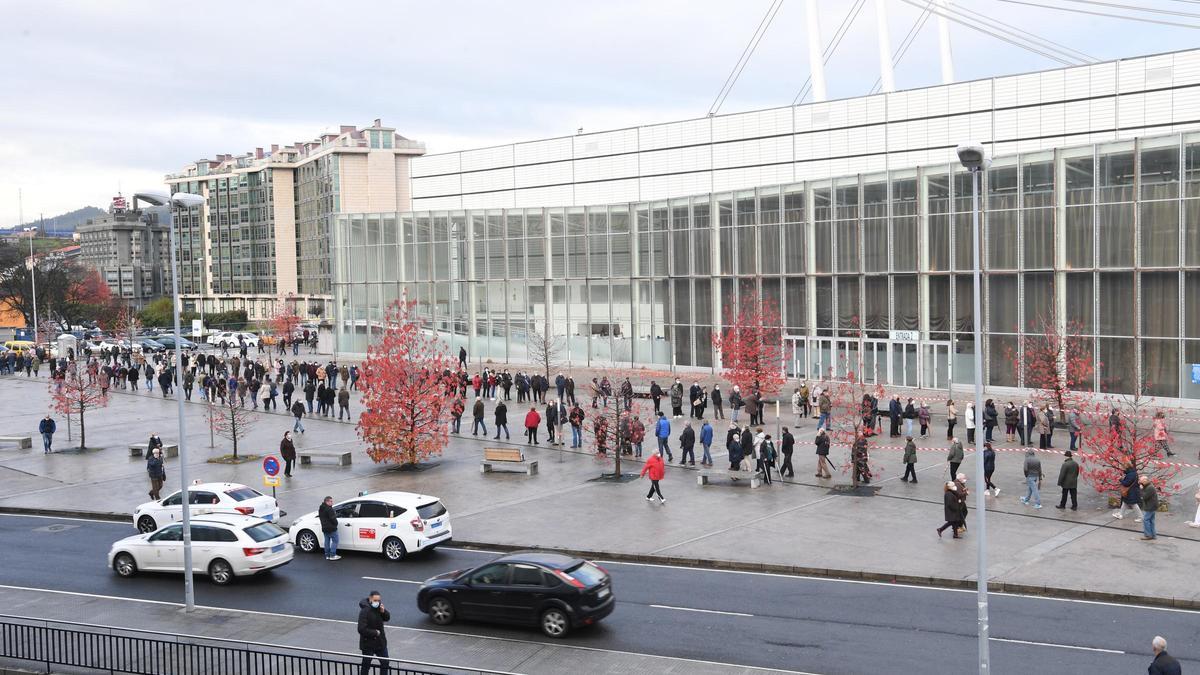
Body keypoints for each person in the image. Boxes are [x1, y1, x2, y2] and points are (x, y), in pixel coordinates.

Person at [357, 591, 391, 674]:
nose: (377, 602)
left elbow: (387, 618)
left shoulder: (379, 607)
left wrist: (383, 612)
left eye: (379, 600)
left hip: (380, 643)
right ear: (370, 599)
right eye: (375, 600)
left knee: (385, 662)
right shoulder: (365, 611)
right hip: (368, 644)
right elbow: (361, 629)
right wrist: (375, 633)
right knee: (366, 665)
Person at [319, 496, 340, 560]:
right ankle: (332, 555)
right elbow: (333, 518)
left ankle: (327, 555)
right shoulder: (329, 509)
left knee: (327, 541)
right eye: (331, 501)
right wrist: (336, 523)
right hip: (331, 528)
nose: (332, 502)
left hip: (324, 528)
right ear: (327, 501)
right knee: (335, 541)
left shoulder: (321, 508)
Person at [1140, 475, 1159, 541]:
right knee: (1151, 521)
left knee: (1146, 520)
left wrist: (1141, 489)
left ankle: (1148, 535)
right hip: (1152, 506)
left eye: (1141, 481)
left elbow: (1144, 497)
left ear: (1145, 481)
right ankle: (1153, 535)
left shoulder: (1150, 488)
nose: (1141, 483)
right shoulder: (1149, 486)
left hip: (1150, 506)